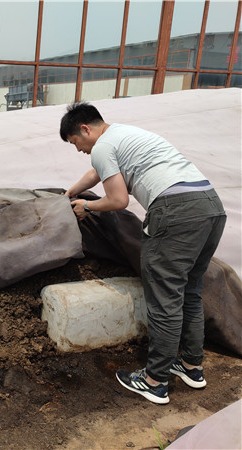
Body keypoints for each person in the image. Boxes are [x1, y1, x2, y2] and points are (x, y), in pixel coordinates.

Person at [60, 102, 226, 405]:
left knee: (165, 298)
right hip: (210, 208)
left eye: (75, 143)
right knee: (190, 291)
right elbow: (97, 174)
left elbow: (118, 200)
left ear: (84, 129)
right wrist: (69, 194)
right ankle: (191, 366)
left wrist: (87, 206)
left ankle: (154, 381)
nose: (79, 150)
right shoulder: (124, 135)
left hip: (175, 213)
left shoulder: (102, 146)